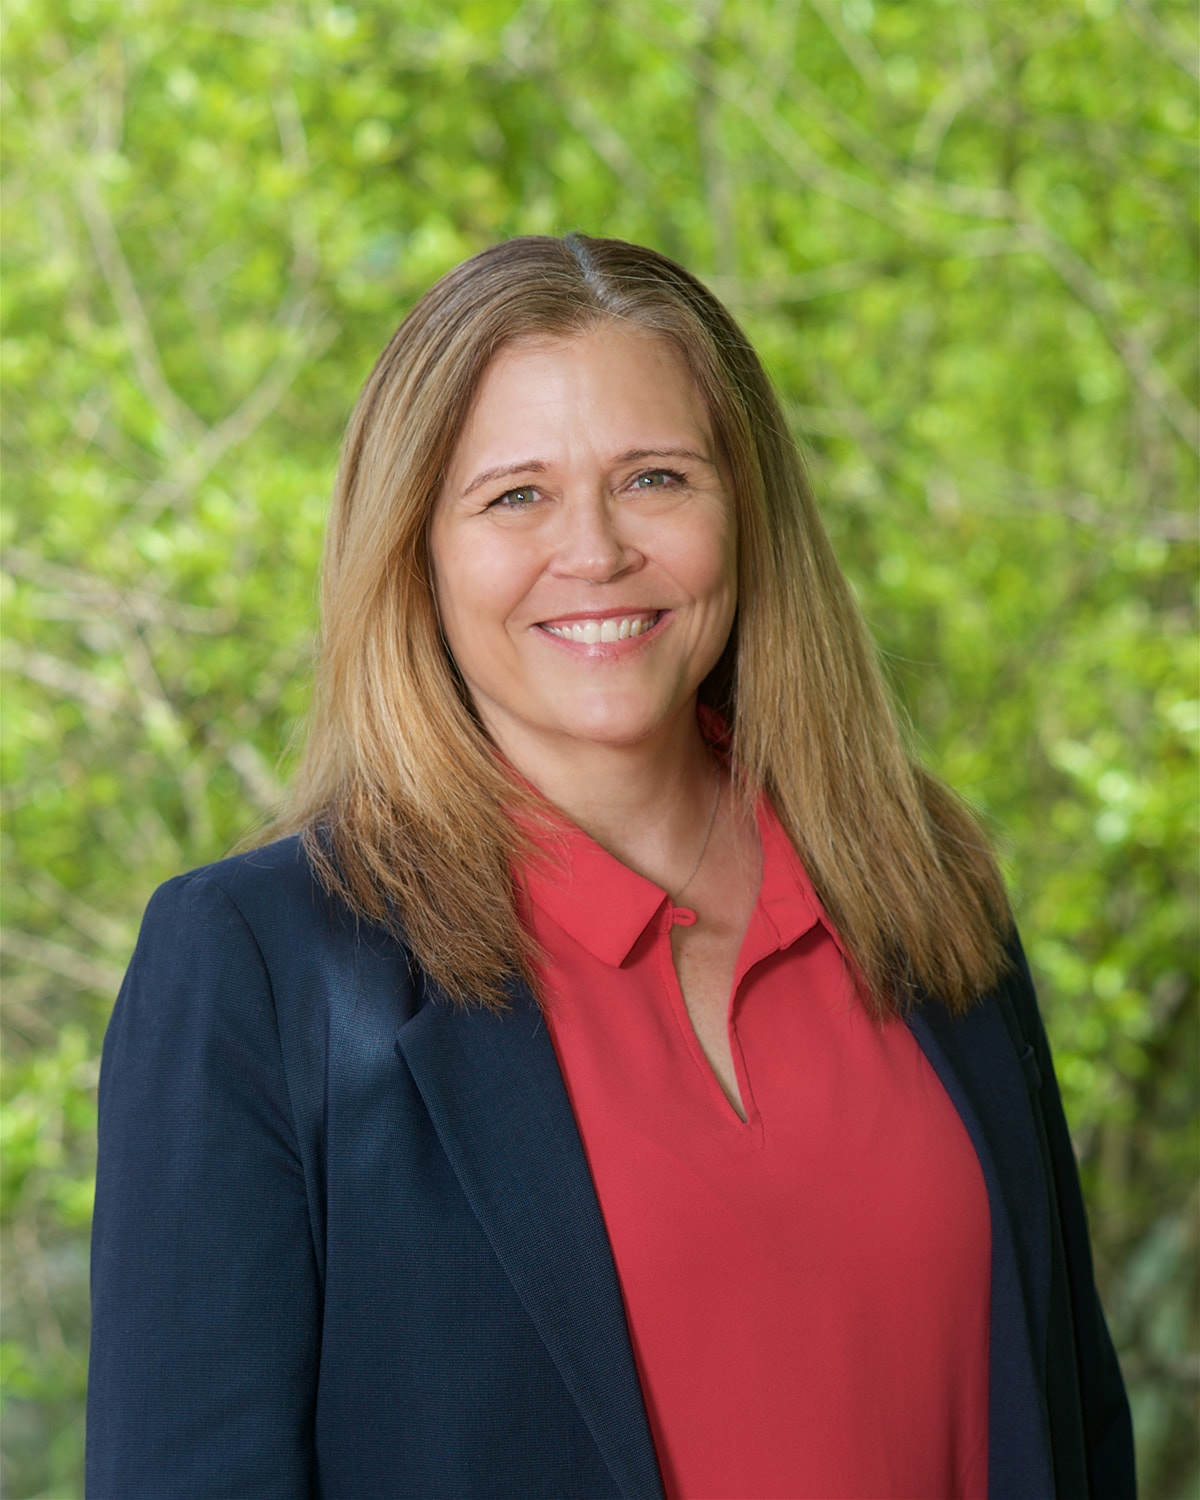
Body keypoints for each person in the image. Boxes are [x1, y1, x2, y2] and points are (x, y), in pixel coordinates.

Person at [86, 234, 1134, 1499]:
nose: (594, 551)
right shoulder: (263, 968)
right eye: (514, 495)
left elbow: (1077, 1427)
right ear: (414, 548)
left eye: (655, 477)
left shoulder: (924, 885)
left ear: (745, 508)